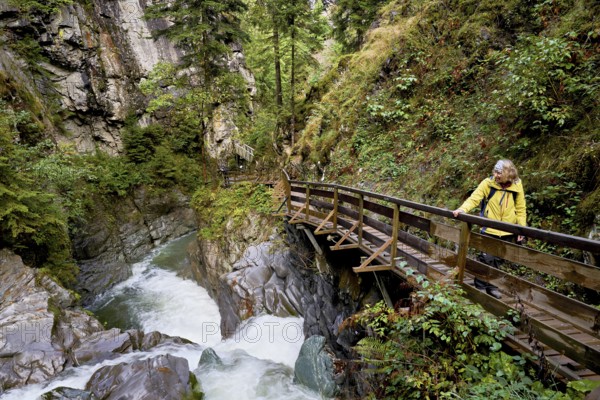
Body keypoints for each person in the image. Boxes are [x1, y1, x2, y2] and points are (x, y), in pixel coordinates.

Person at [452, 159, 527, 299]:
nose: (496, 175)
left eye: (499, 173)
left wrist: (521, 229)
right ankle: (480, 287)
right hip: (489, 229)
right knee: (486, 258)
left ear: (508, 174)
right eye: (495, 171)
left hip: (508, 230)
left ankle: (492, 287)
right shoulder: (488, 183)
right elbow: (474, 199)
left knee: (498, 261)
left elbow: (520, 209)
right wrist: (462, 209)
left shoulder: (517, 185)